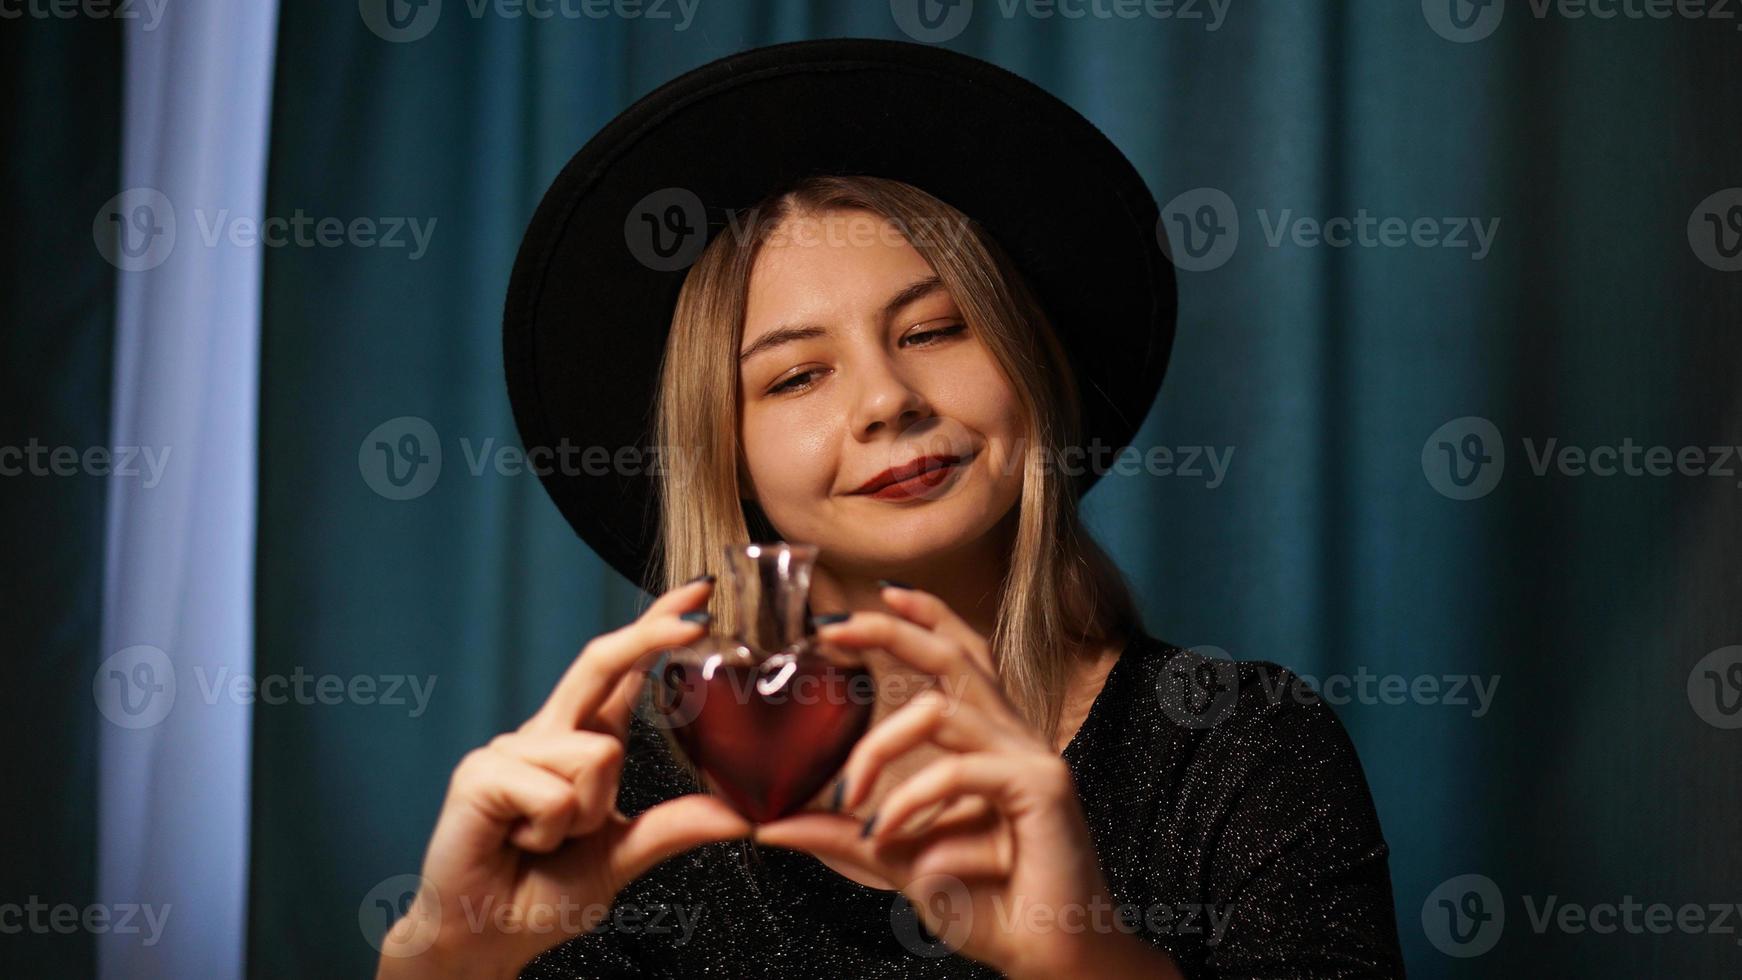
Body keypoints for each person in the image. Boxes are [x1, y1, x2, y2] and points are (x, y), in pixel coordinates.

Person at [378, 40, 1405, 979]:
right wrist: (442, 957)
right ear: (724, 457)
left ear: (1027, 368)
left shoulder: (1236, 742)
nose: (886, 400)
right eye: (795, 377)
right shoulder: (616, 818)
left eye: (934, 329)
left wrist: (1079, 956)